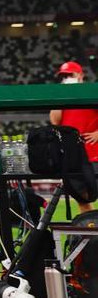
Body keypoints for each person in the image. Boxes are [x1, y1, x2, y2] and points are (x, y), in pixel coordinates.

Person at [50, 60, 98, 212]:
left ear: (80, 75)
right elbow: (54, 121)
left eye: (70, 74)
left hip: (95, 153)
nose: (67, 78)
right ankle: (92, 233)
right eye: (64, 76)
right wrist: (62, 96)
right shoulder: (62, 96)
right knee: (82, 198)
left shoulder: (92, 91)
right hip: (74, 156)